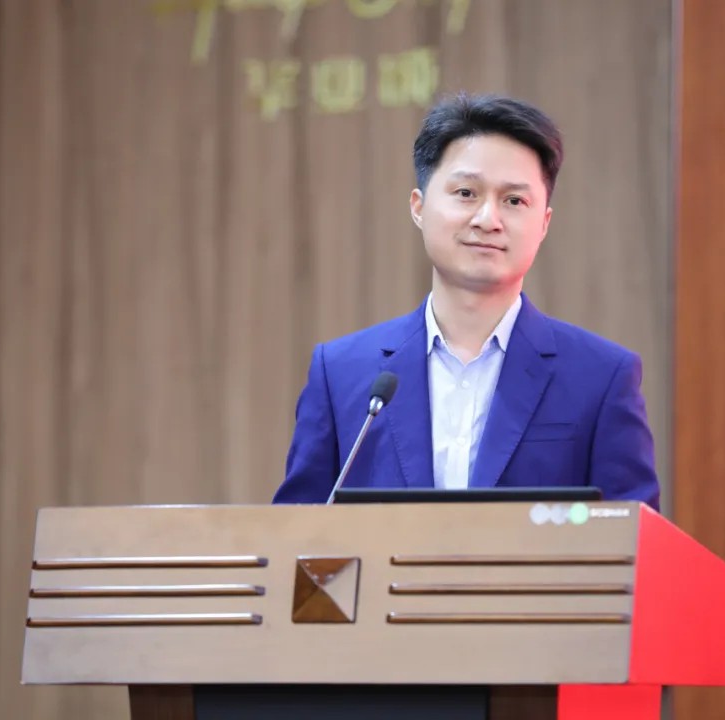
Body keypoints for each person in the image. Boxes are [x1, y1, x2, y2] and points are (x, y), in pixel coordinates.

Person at [273, 93, 660, 510]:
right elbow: (296, 530)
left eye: (514, 201)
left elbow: (632, 538)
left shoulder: (601, 377)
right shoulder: (342, 374)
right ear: (419, 207)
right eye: (465, 193)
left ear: (544, 222)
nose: (488, 219)